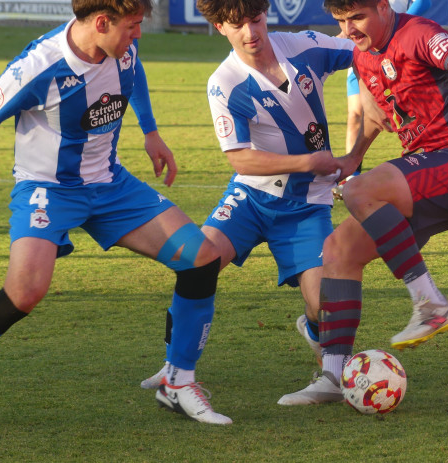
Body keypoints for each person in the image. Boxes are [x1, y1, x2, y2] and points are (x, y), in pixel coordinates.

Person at [0, 0, 234, 434]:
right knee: (25, 292)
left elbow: (134, 70)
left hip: (110, 184)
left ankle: (177, 380)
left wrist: (150, 132)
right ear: (102, 22)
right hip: (47, 190)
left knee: (201, 257)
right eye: (132, 26)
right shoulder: (39, 67)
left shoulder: (121, 46)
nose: (138, 36)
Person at [278, 0, 448, 405]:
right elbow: (377, 117)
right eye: (341, 21)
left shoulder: (417, 32)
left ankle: (430, 303)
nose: (348, 30)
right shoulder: (364, 57)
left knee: (359, 191)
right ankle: (332, 375)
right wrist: (352, 158)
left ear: (382, 7)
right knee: (338, 250)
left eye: (357, 18)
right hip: (427, 174)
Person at [140, 0, 355, 389]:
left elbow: (364, 52)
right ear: (220, 27)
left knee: (323, 302)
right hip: (251, 200)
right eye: (236, 25)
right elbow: (241, 159)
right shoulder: (224, 82)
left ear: (266, 14)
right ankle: (174, 365)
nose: (250, 33)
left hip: (306, 206)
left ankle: (315, 330)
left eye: (255, 20)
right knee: (196, 262)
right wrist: (309, 162)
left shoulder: (304, 46)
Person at [333, 0, 431, 200]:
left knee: (407, 115)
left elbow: (424, 2)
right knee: (356, 114)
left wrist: (395, 28)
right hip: (362, 50)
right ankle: (353, 176)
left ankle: (422, 169)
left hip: (394, 52)